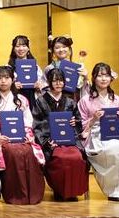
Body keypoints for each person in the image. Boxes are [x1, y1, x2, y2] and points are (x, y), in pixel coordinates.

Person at [77, 62, 119, 202]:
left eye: (106, 75)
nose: (103, 79)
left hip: (115, 132)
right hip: (95, 134)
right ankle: (113, 191)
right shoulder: (85, 100)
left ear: (111, 78)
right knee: (113, 149)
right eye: (100, 76)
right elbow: (81, 124)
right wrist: (94, 119)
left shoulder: (116, 99)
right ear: (94, 78)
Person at [0, 65, 45, 205]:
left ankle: (31, 193)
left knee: (27, 151)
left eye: (6, 78)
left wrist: (25, 135)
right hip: (1, 139)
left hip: (20, 137)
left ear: (12, 80)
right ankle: (14, 194)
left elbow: (28, 121)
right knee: (12, 151)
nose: (3, 81)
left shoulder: (21, 100)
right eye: (0, 78)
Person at [32, 68, 89, 201]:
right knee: (61, 158)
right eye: (55, 81)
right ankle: (59, 190)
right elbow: (37, 124)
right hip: (51, 141)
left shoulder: (70, 101)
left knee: (76, 157)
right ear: (49, 82)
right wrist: (46, 142)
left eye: (61, 80)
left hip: (70, 140)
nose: (58, 83)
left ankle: (72, 192)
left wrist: (75, 122)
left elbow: (78, 121)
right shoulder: (41, 101)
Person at [7, 35, 46, 103]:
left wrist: (39, 86)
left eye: (24, 46)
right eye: (17, 46)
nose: (21, 49)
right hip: (15, 100)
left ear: (28, 48)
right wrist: (12, 86)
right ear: (13, 49)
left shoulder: (36, 66)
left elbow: (43, 85)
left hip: (33, 99)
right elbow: (3, 86)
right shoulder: (8, 67)